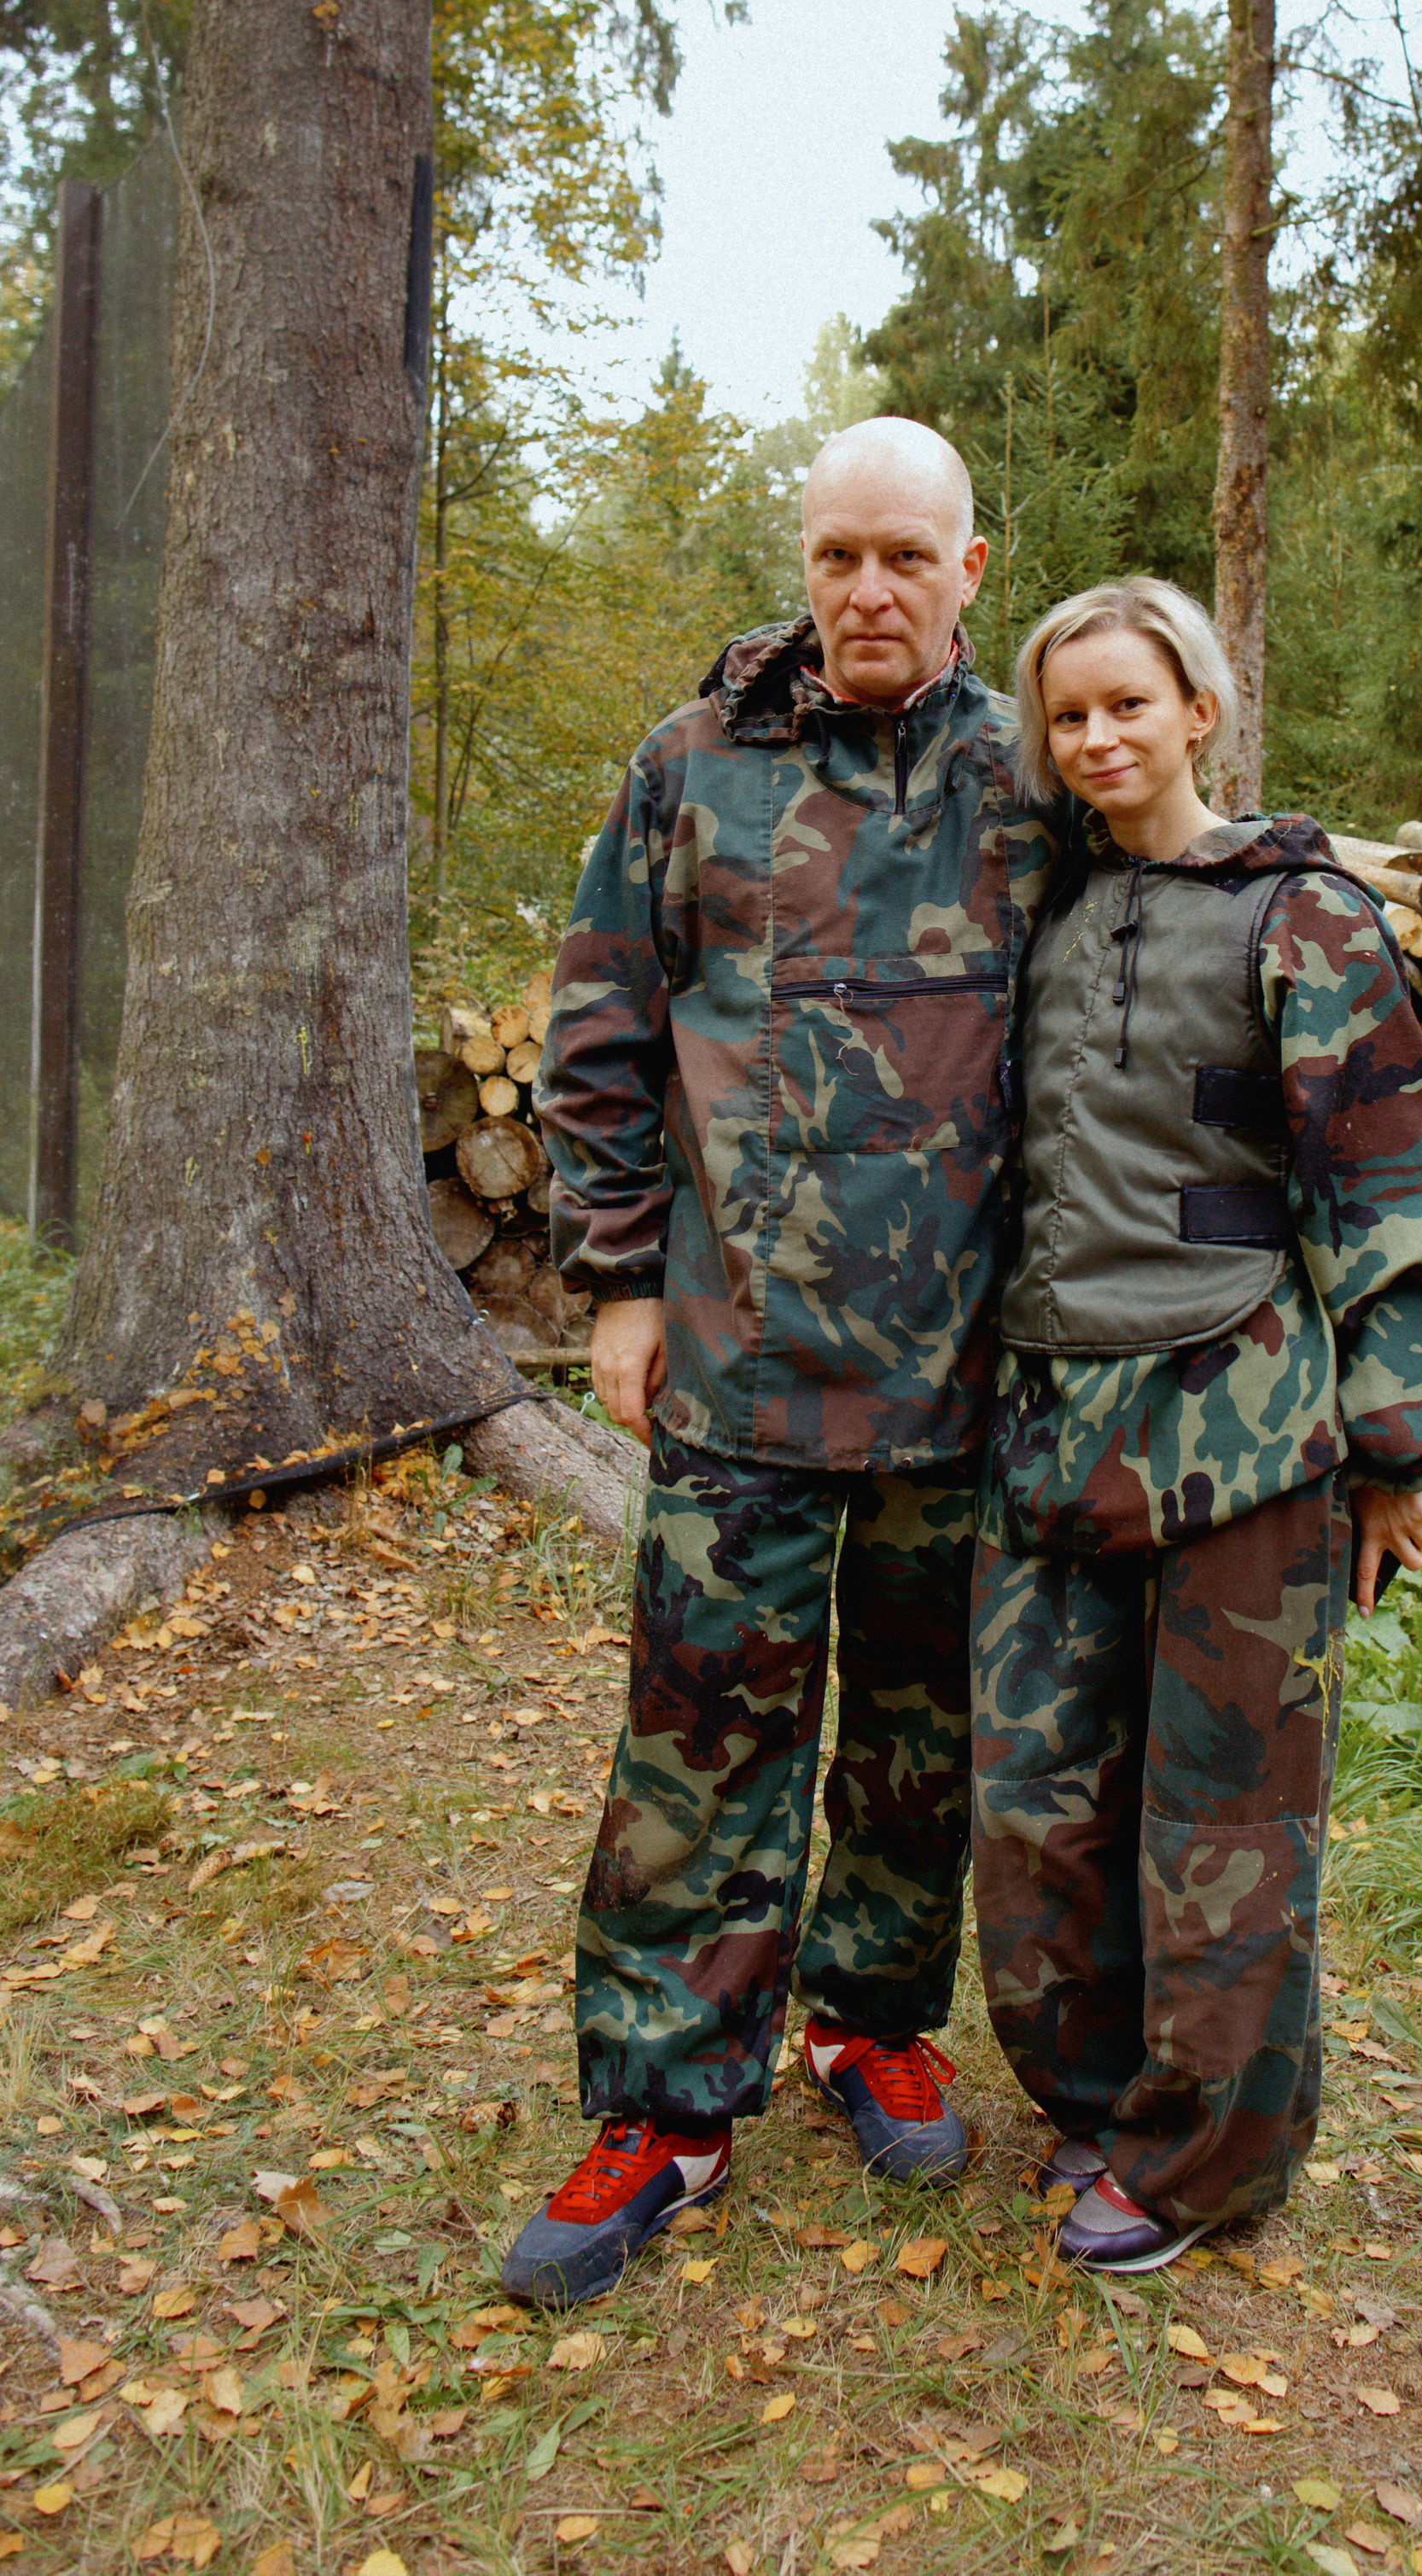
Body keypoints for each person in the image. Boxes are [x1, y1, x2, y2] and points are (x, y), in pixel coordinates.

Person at [501, 418, 1061, 2311]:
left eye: (904, 558)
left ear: (971, 568)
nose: (866, 593)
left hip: (963, 1372)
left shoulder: (1031, 775)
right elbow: (600, 1029)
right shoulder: (690, 769)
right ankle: (667, 2101)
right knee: (700, 1735)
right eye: (836, 557)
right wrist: (620, 1287)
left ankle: (871, 2020)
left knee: (918, 1735)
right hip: (738, 1356)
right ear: (803, 561)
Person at [970, 577, 1422, 2275]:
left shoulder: (1300, 918)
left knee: (1223, 1831)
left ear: (1198, 708)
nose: (1097, 737)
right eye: (1068, 715)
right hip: (1051, 1428)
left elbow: (1399, 1186)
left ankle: (1202, 2166)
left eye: (1128, 702)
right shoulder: (1041, 910)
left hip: (1245, 1435)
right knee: (1042, 1804)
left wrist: (1395, 1455)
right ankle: (1102, 2100)